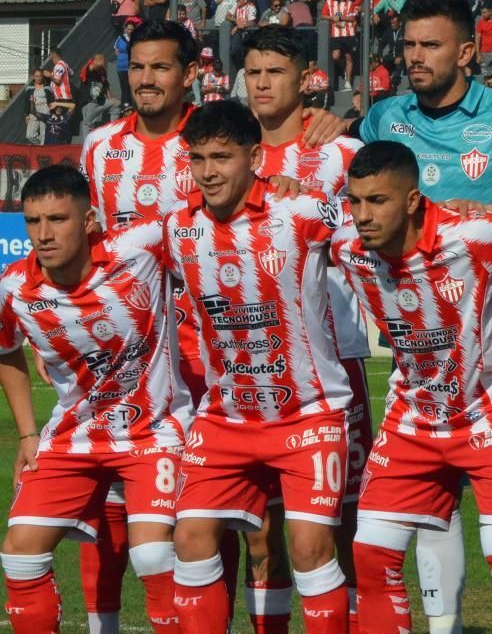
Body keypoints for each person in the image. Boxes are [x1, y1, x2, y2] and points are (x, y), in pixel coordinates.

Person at [319, 140, 492, 633]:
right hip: (414, 418)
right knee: (371, 554)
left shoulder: (474, 235)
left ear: (411, 200)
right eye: (355, 201)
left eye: (377, 201)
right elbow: (282, 210)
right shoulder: (346, 247)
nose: (363, 215)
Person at [162, 101, 352, 632]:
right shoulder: (177, 227)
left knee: (309, 548)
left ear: (254, 157)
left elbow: (380, 223)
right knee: (190, 539)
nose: (208, 172)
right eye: (198, 159)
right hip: (225, 418)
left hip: (307, 413)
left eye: (221, 158)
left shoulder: (301, 210)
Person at [0, 165, 190, 633]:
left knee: (152, 554)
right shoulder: (13, 288)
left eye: (57, 219)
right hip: (74, 437)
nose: (43, 234)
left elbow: (208, 216)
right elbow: (5, 350)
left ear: (88, 221)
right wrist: (27, 433)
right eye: (33, 221)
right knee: (19, 553)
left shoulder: (140, 247)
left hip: (152, 431)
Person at [243, 26, 373, 630]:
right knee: (260, 527)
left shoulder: (341, 152)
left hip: (332, 359)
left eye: (275, 72)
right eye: (253, 72)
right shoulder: (229, 153)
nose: (262, 83)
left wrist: (351, 121)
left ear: (305, 81)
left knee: (346, 518)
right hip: (251, 360)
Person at [337, 0, 492, 219]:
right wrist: (333, 124)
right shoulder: (385, 114)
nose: (416, 57)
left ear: (464, 54)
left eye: (431, 45)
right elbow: (349, 127)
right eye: (409, 44)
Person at [321, 0, 359, 91]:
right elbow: (323, 15)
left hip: (348, 34)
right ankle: (344, 70)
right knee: (336, 56)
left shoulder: (349, 3)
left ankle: (347, 81)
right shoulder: (329, 2)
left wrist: (341, 18)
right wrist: (332, 18)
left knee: (348, 57)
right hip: (336, 34)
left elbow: (352, 18)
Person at [80, 54, 122, 135]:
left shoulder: (102, 72)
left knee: (116, 104)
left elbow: (106, 86)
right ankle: (87, 142)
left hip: (101, 101)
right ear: (94, 61)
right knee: (88, 124)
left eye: (103, 60)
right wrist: (97, 63)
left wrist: (111, 98)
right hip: (90, 102)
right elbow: (91, 68)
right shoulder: (89, 68)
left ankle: (113, 132)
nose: (102, 62)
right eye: (100, 60)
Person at [25, 69, 51, 145]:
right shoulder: (29, 88)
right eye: (36, 76)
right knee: (30, 135)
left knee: (44, 135)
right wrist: (26, 115)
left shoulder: (47, 87)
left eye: (40, 76)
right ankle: (41, 144)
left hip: (45, 112)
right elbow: (26, 102)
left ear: (42, 76)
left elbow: (51, 100)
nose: (38, 78)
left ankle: (43, 148)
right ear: (33, 77)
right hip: (33, 113)